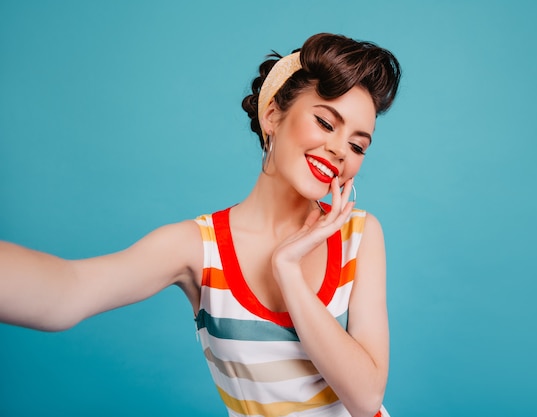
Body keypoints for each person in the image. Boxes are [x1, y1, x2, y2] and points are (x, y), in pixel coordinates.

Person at [0, 33, 401, 417]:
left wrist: (287, 272)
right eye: (326, 123)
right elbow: (68, 291)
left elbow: (366, 399)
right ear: (273, 114)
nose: (338, 150)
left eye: (357, 145)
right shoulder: (198, 247)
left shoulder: (359, 236)